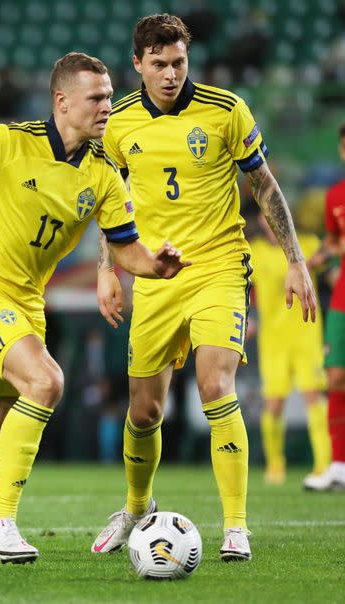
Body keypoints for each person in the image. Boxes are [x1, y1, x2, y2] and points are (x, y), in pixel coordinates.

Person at [0, 52, 189, 563]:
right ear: (62, 101)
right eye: (96, 98)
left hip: (28, 303)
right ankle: (2, 525)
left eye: (111, 97)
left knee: (2, 432)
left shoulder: (105, 177)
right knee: (46, 382)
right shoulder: (10, 141)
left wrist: (155, 266)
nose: (107, 107)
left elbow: (125, 248)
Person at [92, 14, 317, 562]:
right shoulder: (117, 122)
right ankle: (137, 506)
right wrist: (108, 267)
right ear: (138, 64)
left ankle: (235, 527)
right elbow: (108, 194)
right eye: (159, 64)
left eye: (179, 63)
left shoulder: (225, 109)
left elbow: (263, 185)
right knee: (143, 412)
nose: (170, 74)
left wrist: (295, 260)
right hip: (155, 275)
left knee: (216, 385)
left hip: (219, 264)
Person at [249, 213, 330, 486]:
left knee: (314, 398)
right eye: (265, 223)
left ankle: (324, 465)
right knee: (273, 404)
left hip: (307, 335)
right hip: (273, 341)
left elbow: (328, 264)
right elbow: (240, 286)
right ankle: (275, 465)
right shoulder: (256, 253)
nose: (271, 228)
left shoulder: (306, 244)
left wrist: (327, 265)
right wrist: (245, 317)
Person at [305, 123, 345, 490]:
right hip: (341, 301)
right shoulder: (335, 197)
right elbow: (334, 243)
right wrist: (308, 264)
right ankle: (337, 464)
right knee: (334, 379)